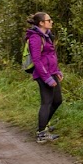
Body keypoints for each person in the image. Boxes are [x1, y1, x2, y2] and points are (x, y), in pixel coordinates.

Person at [26, 12, 63, 143]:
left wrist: (57, 71)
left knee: (57, 100)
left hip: (51, 72)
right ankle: (41, 133)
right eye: (49, 20)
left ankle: (44, 125)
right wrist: (47, 78)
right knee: (46, 102)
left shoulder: (47, 35)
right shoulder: (35, 38)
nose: (51, 22)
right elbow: (36, 60)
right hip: (43, 74)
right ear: (41, 23)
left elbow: (51, 55)